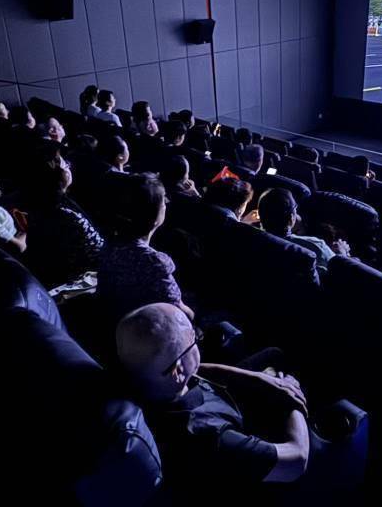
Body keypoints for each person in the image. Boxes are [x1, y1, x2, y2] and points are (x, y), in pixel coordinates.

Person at [115, 303, 310, 497]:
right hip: (252, 454)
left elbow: (195, 371)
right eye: (193, 339)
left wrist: (257, 378)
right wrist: (292, 398)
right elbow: (296, 461)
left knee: (273, 355)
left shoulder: (150, 379)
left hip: (222, 405)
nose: (198, 338)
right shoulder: (209, 437)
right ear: (177, 371)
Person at [96, 174, 194, 328]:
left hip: (111, 321)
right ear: (154, 215)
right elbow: (182, 312)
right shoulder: (154, 263)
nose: (166, 204)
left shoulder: (109, 243)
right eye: (163, 201)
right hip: (146, 333)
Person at [23, 143, 105, 288]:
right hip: (77, 281)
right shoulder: (65, 212)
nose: (69, 167)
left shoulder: (38, 201)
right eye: (65, 165)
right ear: (55, 175)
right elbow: (98, 251)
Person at [258, 188, 346, 271]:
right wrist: (342, 255)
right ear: (292, 217)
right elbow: (340, 273)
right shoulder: (316, 246)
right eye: (295, 210)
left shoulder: (250, 238)